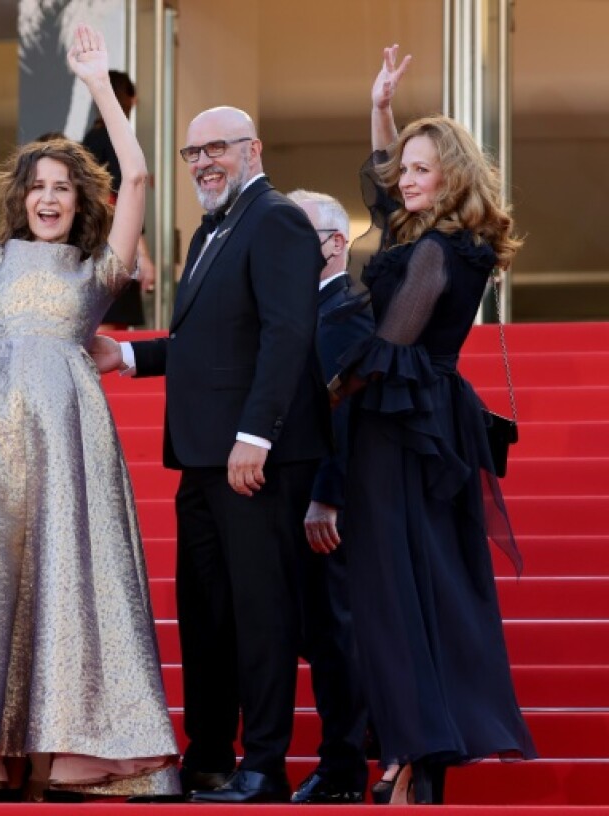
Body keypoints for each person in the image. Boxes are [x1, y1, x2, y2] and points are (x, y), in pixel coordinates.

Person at [0, 8, 179, 801]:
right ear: (19, 199)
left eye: (63, 188)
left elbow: (139, 179)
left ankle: (74, 751)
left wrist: (98, 88)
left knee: (69, 575)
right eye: (38, 188)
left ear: (79, 201)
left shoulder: (99, 271)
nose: (49, 198)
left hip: (70, 432)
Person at [92, 106, 331, 804]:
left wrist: (255, 436)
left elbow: (288, 334)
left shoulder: (277, 219)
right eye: (192, 152)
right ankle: (209, 757)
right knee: (206, 615)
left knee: (260, 615)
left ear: (252, 149)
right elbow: (210, 341)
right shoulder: (212, 228)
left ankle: (264, 767)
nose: (203, 162)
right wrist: (128, 355)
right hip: (202, 459)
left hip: (254, 460)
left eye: (216, 148)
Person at [327, 45, 537, 805]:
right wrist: (381, 107)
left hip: (403, 427)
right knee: (416, 589)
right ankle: (416, 753)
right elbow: (384, 189)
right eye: (406, 168)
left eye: (422, 169)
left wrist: (325, 393)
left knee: (396, 593)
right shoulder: (434, 238)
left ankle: (412, 752)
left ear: (452, 177)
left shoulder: (439, 254)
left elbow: (391, 346)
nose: (406, 179)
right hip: (424, 423)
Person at [285, 189, 376, 804]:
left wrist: (326, 496)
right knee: (321, 634)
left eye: (296, 237)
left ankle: (344, 769)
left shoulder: (345, 313)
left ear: (336, 243)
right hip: (300, 500)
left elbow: (344, 413)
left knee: (335, 636)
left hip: (331, 508)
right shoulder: (305, 311)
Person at [80, 70, 156, 329]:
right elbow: (121, 198)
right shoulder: (113, 140)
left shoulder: (91, 138)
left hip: (94, 246)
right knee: (109, 333)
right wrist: (143, 256)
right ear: (128, 98)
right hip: (111, 247)